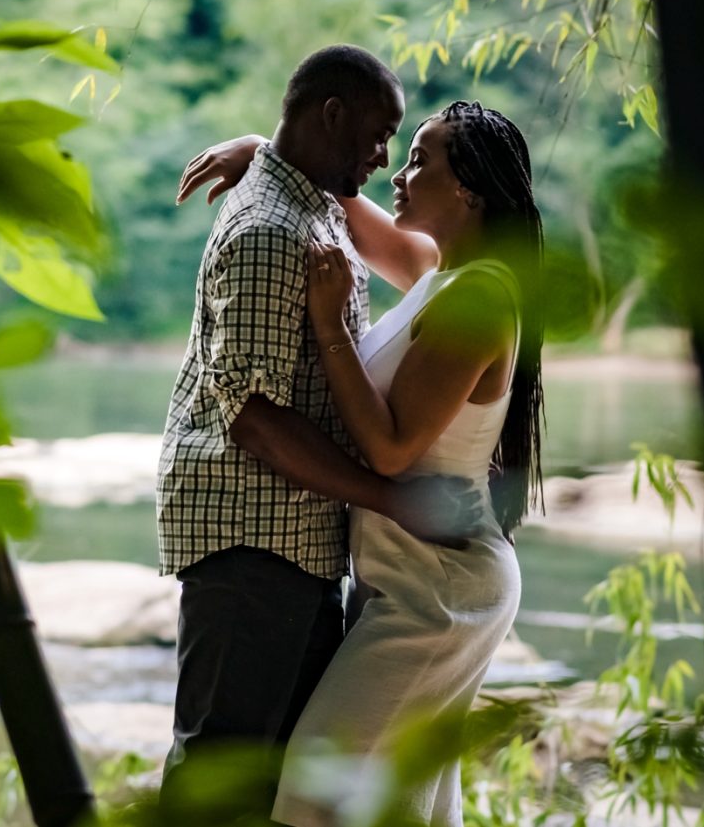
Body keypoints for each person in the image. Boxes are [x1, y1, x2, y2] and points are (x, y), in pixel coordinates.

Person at [181, 102, 546, 827]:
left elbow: (390, 446)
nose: (399, 175)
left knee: (315, 793)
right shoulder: (440, 271)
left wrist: (328, 325)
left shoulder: (479, 297)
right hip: (408, 574)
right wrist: (264, 148)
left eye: (420, 160)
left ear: (469, 188)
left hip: (438, 588)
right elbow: (345, 207)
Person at [157, 47, 482, 793]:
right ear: (332, 114)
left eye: (406, 149)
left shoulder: (315, 208)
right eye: (379, 136)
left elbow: (391, 243)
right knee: (218, 778)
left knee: (272, 785)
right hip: (254, 537)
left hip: (297, 541)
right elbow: (253, 420)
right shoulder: (274, 231)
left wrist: (263, 149)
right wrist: (393, 499)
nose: (386, 159)